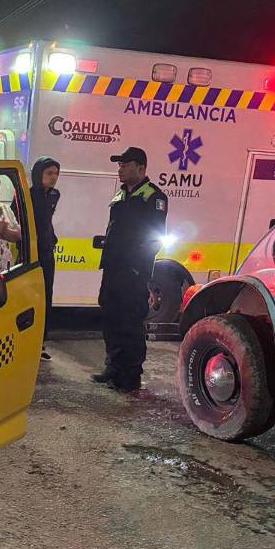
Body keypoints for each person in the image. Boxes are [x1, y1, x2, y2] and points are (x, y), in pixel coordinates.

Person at [93, 147, 168, 392]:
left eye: (125, 165)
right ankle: (113, 368)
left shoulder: (153, 197)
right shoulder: (121, 195)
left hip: (133, 272)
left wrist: (137, 267)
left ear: (141, 168)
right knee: (111, 318)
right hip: (113, 269)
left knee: (130, 322)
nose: (120, 169)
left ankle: (130, 376)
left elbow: (155, 238)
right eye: (119, 165)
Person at [30, 158, 61, 338]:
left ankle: (42, 337)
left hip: (47, 251)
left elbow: (46, 221)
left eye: (56, 173)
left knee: (47, 294)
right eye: (49, 173)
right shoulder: (28, 195)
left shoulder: (55, 195)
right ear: (38, 174)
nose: (53, 177)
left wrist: (51, 239)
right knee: (32, 295)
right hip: (32, 253)